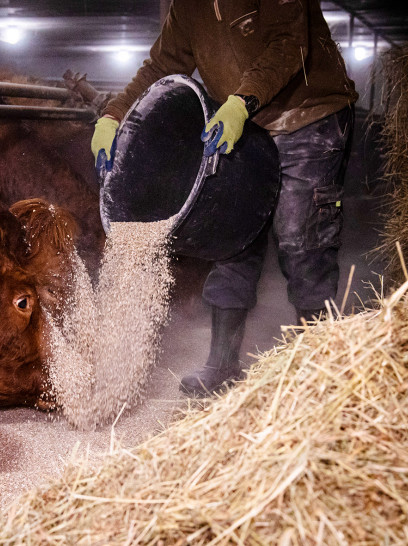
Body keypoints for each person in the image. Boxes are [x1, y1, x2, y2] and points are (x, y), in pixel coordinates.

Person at [91, 0, 357, 397]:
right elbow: (162, 65)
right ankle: (223, 364)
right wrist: (113, 115)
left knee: (300, 236)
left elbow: (289, 43)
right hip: (244, 123)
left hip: (307, 116)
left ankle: (320, 366)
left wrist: (240, 101)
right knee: (231, 233)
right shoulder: (189, 6)